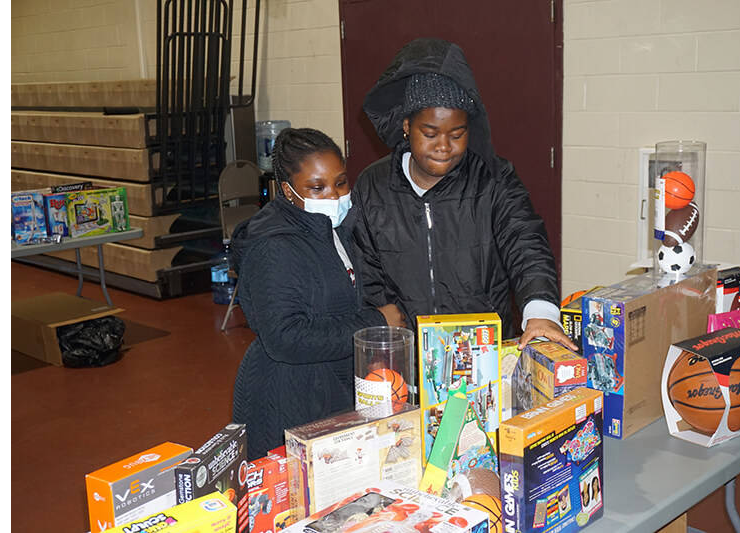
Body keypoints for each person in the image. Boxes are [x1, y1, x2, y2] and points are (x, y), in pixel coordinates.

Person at [351, 37, 576, 350]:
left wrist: (540, 311)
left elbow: (526, 243)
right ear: (406, 126)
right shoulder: (372, 186)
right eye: (430, 133)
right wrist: (381, 325)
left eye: (457, 134)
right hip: (408, 356)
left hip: (485, 351)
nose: (444, 146)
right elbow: (365, 268)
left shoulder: (493, 179)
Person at [231, 127, 405, 459]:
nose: (333, 196)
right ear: (287, 189)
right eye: (317, 187)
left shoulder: (337, 227)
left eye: (340, 182)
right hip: (287, 398)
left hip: (331, 387)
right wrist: (374, 321)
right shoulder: (274, 247)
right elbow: (286, 336)